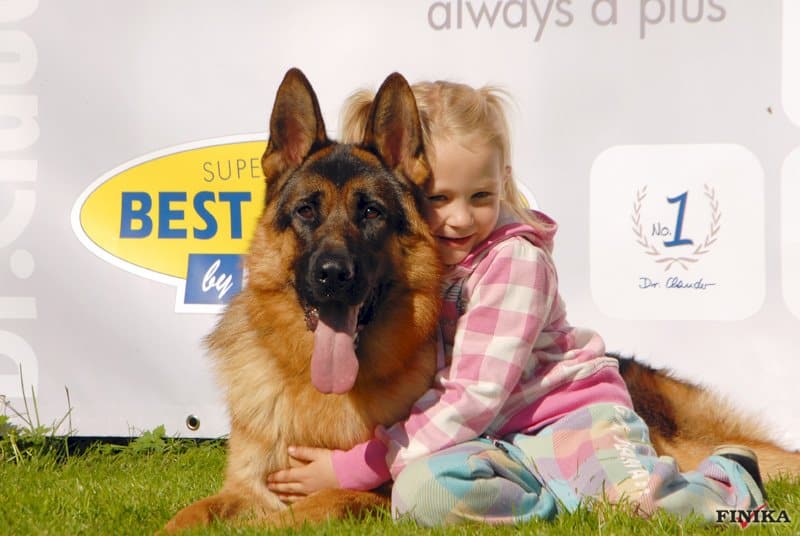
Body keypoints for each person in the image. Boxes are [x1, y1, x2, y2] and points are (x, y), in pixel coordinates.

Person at [266, 79, 767, 525]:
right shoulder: (421, 266)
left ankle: (729, 482)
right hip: (492, 443)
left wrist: (358, 466)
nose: (460, 219)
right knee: (421, 497)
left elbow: (473, 398)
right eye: (439, 199)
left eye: (480, 196)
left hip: (571, 422)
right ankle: (556, 496)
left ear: (503, 181)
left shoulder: (515, 264)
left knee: (640, 507)